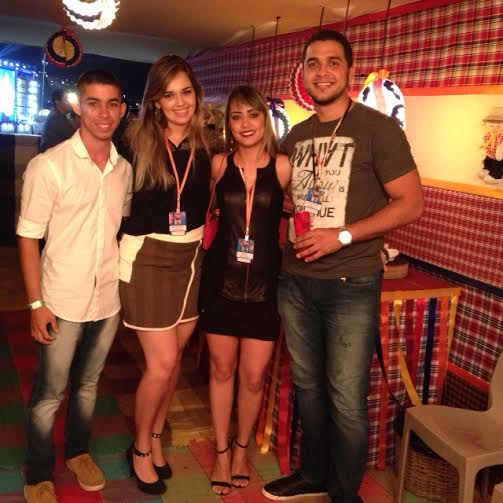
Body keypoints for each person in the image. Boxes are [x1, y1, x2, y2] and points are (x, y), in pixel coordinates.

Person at [262, 29, 424, 503]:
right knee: (308, 387)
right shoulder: (296, 136)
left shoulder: (379, 129)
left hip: (351, 282)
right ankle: (313, 475)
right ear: (302, 73)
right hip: (296, 281)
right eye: (312, 63)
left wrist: (344, 235)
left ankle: (344, 494)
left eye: (333, 62)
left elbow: (411, 203)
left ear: (350, 71)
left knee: (346, 397)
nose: (322, 72)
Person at [17, 70, 131, 503]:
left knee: (88, 386)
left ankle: (79, 452)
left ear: (122, 109)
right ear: (79, 107)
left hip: (106, 299)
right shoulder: (49, 165)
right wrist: (36, 303)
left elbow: (119, 228)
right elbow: (28, 236)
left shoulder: (124, 170)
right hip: (61, 299)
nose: (104, 113)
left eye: (112, 103)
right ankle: (38, 473)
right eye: (94, 103)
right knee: (49, 393)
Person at [119, 55, 214, 495]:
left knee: (172, 362)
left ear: (196, 94)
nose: (179, 102)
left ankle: (156, 435)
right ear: (155, 100)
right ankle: (140, 448)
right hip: (148, 258)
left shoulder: (206, 145)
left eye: (186, 92)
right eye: (168, 94)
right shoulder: (136, 141)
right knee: (160, 365)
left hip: (190, 258)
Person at [199, 85, 290, 495]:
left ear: (264, 120)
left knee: (253, 379)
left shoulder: (283, 167)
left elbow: (305, 212)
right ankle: (222, 452)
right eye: (236, 117)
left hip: (265, 288)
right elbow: (205, 213)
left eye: (252, 115)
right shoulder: (219, 164)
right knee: (221, 371)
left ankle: (240, 450)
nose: (245, 124)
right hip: (221, 283)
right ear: (228, 124)